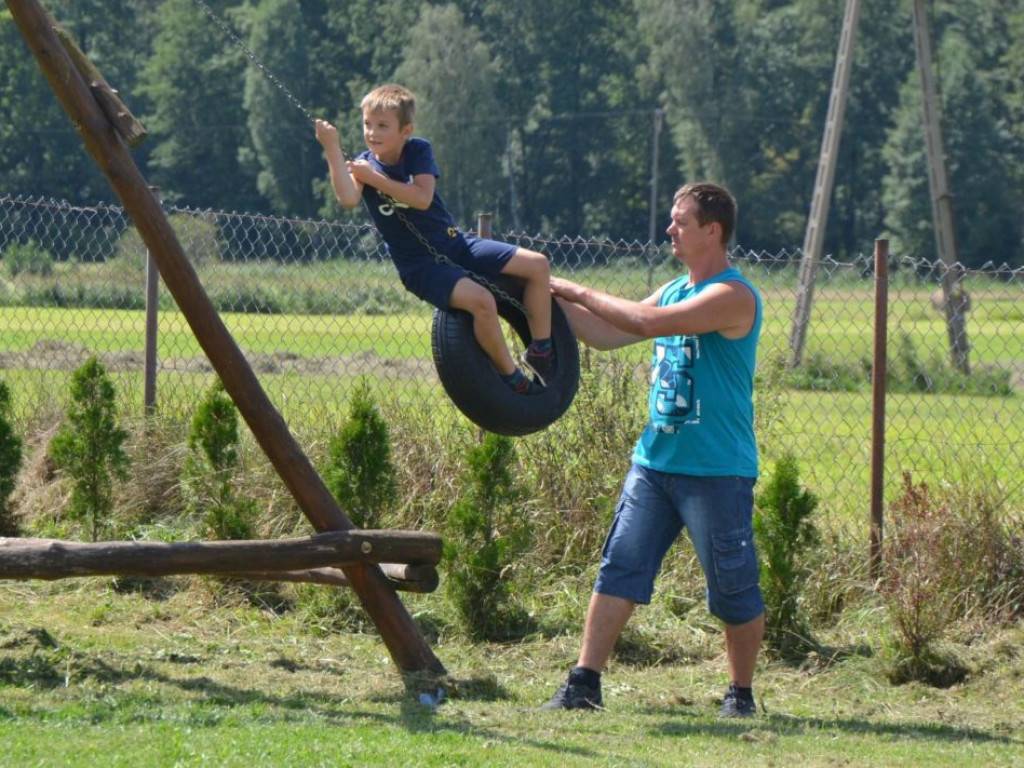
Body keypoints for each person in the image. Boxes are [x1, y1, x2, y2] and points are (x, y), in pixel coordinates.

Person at [543, 182, 764, 718]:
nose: (670, 230)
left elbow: (644, 324)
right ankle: (583, 684)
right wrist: (537, 296)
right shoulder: (672, 288)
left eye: (680, 222)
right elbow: (605, 333)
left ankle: (740, 695)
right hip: (654, 463)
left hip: (716, 471)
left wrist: (571, 285)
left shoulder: (732, 296)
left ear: (712, 231)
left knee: (732, 590)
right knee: (619, 568)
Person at [315, 83, 556, 394]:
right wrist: (332, 148)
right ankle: (511, 379)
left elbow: (422, 198)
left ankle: (541, 352)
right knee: (482, 301)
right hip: (420, 267)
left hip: (456, 244)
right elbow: (347, 198)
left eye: (382, 126)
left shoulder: (416, 151)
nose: (372, 132)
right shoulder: (364, 165)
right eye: (367, 124)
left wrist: (375, 178)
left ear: (405, 130)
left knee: (538, 265)